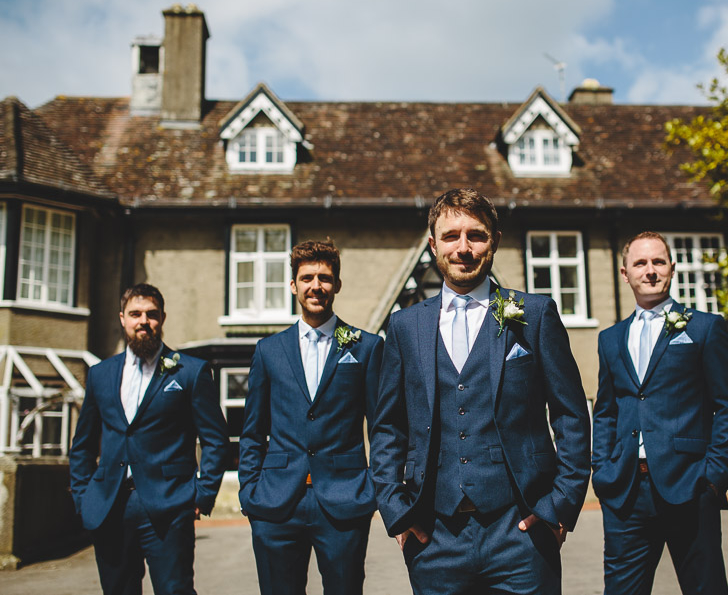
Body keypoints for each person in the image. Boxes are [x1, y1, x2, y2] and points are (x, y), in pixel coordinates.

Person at [370, 188, 591, 595]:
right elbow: (388, 428)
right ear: (433, 244)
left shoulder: (535, 315)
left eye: (477, 235)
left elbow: (572, 415)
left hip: (521, 532)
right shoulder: (405, 327)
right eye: (451, 236)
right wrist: (397, 511)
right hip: (434, 537)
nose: (464, 248)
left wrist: (559, 504)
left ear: (495, 241)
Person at [591, 231, 728, 595]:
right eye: (640, 263)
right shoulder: (610, 338)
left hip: (690, 485)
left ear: (672, 269)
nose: (650, 271)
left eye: (658, 262)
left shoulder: (704, 328)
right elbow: (606, 411)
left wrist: (714, 476)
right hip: (625, 489)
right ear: (625, 273)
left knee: (705, 588)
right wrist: (603, 468)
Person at [239, 239, 383, 595]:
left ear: (337, 284)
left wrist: (374, 489)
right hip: (275, 503)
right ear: (293, 285)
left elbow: (383, 427)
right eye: (307, 278)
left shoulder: (366, 348)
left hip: (345, 500)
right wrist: (250, 493)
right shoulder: (268, 351)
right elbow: (252, 431)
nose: (316, 286)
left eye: (324, 277)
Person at [69, 283, 229, 595]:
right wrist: (82, 497)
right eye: (135, 314)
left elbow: (216, 440)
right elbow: (83, 444)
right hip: (109, 505)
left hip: (169, 505)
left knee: (175, 590)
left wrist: (201, 494)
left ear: (163, 318)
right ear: (122, 318)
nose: (144, 321)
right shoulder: (100, 374)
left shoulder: (190, 372)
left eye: (151, 314)